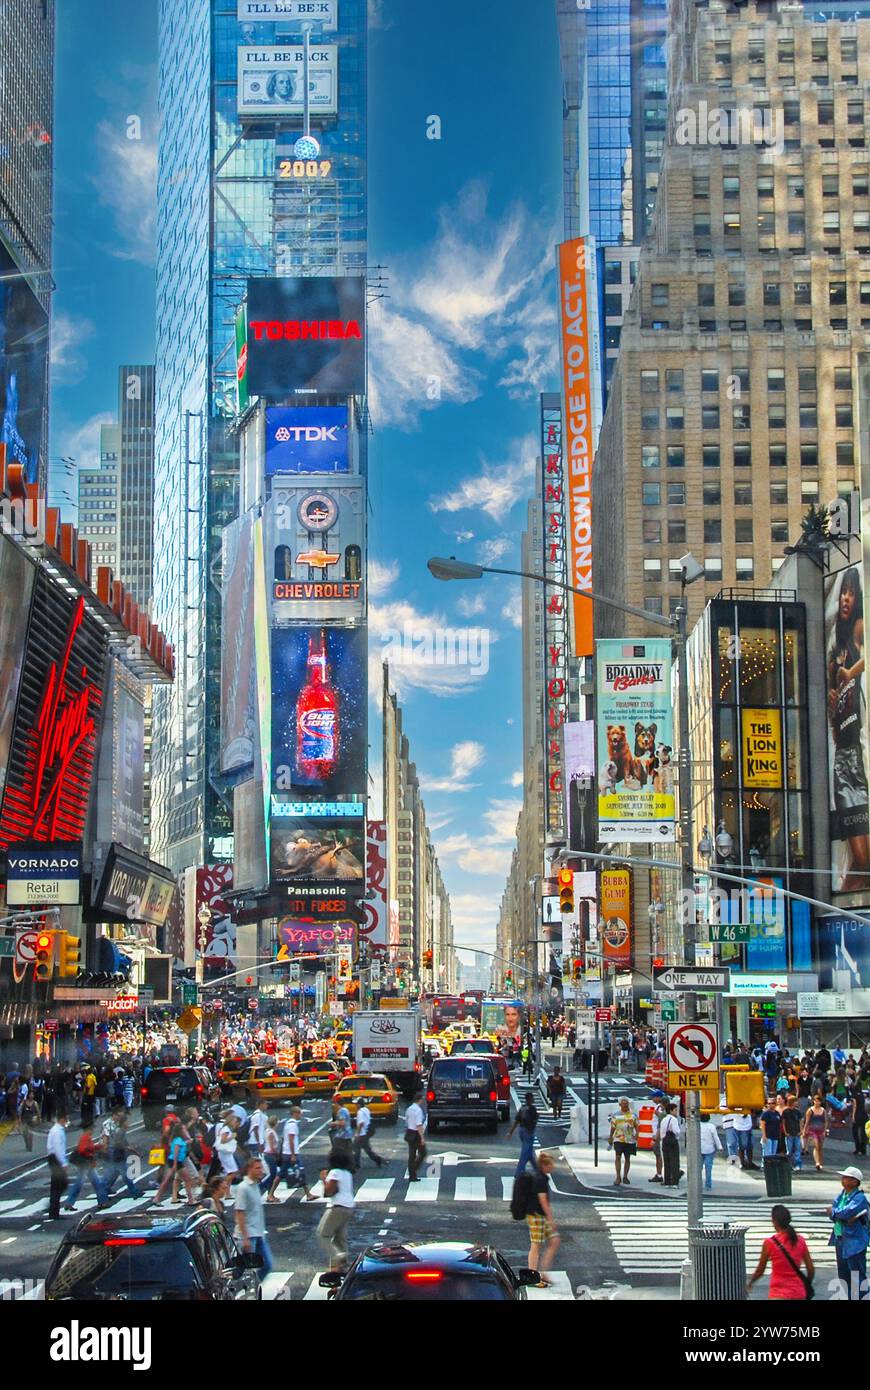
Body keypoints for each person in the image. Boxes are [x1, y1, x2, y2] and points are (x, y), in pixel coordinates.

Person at [827, 565, 870, 892]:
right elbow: (832, 722)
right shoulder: (834, 647)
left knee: (864, 860)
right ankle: (843, 900)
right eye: (844, 591)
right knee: (863, 859)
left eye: (852, 592)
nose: (846, 597)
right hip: (843, 762)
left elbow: (866, 659)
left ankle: (843, 900)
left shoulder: (858, 627)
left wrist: (848, 673)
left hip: (858, 756)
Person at [747, 1205, 815, 1300]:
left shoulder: (769, 1243)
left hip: (778, 1294)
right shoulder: (800, 1241)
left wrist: (751, 1282)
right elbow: (811, 1269)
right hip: (798, 1293)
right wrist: (807, 1283)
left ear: (774, 1221)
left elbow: (760, 1270)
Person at [826, 1166, 870, 1299]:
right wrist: (836, 1214)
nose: (843, 1180)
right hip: (840, 1238)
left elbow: (844, 1212)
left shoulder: (859, 1198)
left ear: (855, 1182)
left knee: (856, 1275)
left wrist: (833, 1213)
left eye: (847, 1178)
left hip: (854, 1241)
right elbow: (837, 1211)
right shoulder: (842, 1195)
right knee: (844, 1274)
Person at [233, 1156, 272, 1282]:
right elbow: (239, 1213)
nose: (261, 1170)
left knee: (267, 1265)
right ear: (249, 1169)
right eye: (258, 1168)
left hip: (258, 1234)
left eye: (261, 1167)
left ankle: (253, 1288)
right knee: (247, 1271)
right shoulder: (243, 1187)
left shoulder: (255, 1185)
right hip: (248, 1236)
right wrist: (245, 1238)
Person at [317, 1149, 356, 1272]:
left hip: (337, 1207)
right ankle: (340, 1268)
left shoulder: (335, 1172)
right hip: (349, 1207)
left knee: (323, 1234)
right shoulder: (347, 1173)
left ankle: (337, 1257)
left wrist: (324, 1179)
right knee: (340, 1239)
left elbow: (329, 1191)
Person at [525, 1151, 560, 1287]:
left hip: (541, 1216)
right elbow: (543, 1201)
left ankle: (543, 1272)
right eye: (551, 1164)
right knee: (535, 1246)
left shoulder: (543, 1178)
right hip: (536, 1216)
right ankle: (532, 1277)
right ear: (544, 1165)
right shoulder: (540, 1179)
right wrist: (551, 1220)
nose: (553, 1167)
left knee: (554, 1241)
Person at [101, 1108, 139, 1200]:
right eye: (119, 1115)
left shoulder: (119, 1128)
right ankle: (134, 1191)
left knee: (114, 1172)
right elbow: (109, 1139)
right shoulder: (111, 1126)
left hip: (116, 1152)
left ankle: (105, 1189)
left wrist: (130, 1149)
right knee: (123, 1173)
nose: (128, 1123)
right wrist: (105, 1148)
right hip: (113, 1151)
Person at [608, 1097, 638, 1187]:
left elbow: (637, 1125)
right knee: (618, 1156)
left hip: (629, 1139)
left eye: (626, 1103)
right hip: (618, 1138)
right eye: (623, 1103)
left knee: (627, 1158)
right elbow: (613, 1126)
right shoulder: (616, 1115)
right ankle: (618, 1177)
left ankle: (625, 1176)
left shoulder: (633, 1115)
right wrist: (610, 1137)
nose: (625, 1105)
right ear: (620, 1104)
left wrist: (637, 1134)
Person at [509, 1090, 539, 1177]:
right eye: (532, 1098)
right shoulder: (532, 1108)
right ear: (530, 1099)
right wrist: (531, 1128)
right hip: (528, 1131)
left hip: (521, 1130)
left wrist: (510, 1132)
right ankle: (519, 1172)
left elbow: (516, 1121)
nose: (533, 1099)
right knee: (525, 1152)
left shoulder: (522, 1108)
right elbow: (534, 1119)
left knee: (529, 1152)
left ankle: (537, 1170)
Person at [46, 1112, 71, 1220]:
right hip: (55, 1159)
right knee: (60, 1184)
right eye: (66, 1120)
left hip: (54, 1158)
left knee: (58, 1185)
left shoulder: (58, 1130)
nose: (67, 1122)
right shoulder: (56, 1131)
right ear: (62, 1119)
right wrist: (63, 1162)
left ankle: (53, 1207)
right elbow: (58, 1148)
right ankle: (53, 1210)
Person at [354, 1097, 384, 1169]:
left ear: (359, 1104)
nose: (355, 1105)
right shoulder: (366, 1110)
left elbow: (361, 1123)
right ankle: (378, 1160)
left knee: (356, 1149)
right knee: (367, 1150)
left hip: (362, 1133)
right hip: (366, 1132)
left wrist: (357, 1133)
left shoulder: (360, 1112)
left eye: (356, 1104)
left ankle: (356, 1164)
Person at [404, 1091, 426, 1182]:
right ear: (419, 1100)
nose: (423, 1101)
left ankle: (412, 1175)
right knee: (422, 1152)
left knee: (412, 1154)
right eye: (422, 1099)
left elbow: (406, 1120)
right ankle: (413, 1169)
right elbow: (419, 1125)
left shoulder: (409, 1109)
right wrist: (422, 1137)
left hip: (409, 1132)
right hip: (416, 1133)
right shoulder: (418, 1110)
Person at [659, 1103, 682, 1187]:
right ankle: (675, 1182)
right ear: (671, 1110)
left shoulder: (664, 1119)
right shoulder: (673, 1119)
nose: (676, 1112)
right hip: (672, 1141)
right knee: (674, 1162)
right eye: (675, 1110)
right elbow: (677, 1131)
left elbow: (661, 1132)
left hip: (665, 1141)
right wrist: (678, 1136)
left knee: (667, 1162)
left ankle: (667, 1181)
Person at [802, 1096, 827, 1171]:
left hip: (821, 1130)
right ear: (813, 1101)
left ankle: (820, 1162)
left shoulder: (823, 1110)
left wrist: (825, 1131)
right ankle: (817, 1163)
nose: (817, 1102)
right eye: (815, 1101)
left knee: (820, 1147)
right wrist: (804, 1131)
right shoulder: (810, 1110)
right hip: (812, 1130)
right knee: (816, 1145)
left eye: (818, 1101)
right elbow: (807, 1122)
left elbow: (825, 1121)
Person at [699, 1114, 723, 1191]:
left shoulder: (697, 1125)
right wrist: (720, 1147)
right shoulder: (711, 1126)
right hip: (709, 1149)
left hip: (699, 1149)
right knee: (708, 1168)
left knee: (698, 1168)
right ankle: (708, 1185)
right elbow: (715, 1137)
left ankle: (697, 1184)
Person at [781, 1095, 803, 1171]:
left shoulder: (798, 1111)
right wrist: (785, 1131)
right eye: (795, 1101)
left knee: (797, 1149)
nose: (797, 1102)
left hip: (796, 1133)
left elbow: (800, 1121)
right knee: (789, 1150)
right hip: (789, 1133)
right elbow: (783, 1122)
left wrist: (801, 1130)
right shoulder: (785, 1111)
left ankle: (798, 1164)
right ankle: (789, 1165)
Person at [849, 1078, 868, 1156]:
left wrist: (853, 1116)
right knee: (863, 1132)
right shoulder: (864, 1095)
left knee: (855, 1132)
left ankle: (857, 1148)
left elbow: (855, 1106)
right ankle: (863, 1148)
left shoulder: (854, 1094)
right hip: (864, 1114)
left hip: (857, 1114)